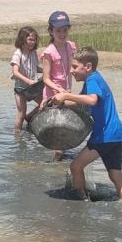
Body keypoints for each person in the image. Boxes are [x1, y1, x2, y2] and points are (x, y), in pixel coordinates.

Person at [48, 47, 122, 201]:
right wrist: (59, 102)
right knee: (115, 174)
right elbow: (79, 103)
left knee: (75, 167)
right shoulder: (93, 79)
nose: (71, 71)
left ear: (88, 67)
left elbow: (92, 100)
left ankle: (81, 201)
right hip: (116, 134)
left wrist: (65, 94)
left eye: (74, 67)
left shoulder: (92, 79)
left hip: (104, 136)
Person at [41, 11, 77, 161]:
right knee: (57, 130)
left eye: (65, 30)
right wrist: (59, 89)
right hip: (53, 95)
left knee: (64, 128)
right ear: (51, 31)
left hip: (66, 92)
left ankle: (59, 160)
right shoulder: (49, 52)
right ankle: (55, 164)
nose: (62, 34)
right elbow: (46, 79)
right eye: (58, 31)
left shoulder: (70, 46)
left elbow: (73, 66)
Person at [10, 26, 41, 130]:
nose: (32, 42)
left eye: (34, 39)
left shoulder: (33, 53)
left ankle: (30, 116)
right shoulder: (18, 54)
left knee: (45, 103)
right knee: (21, 114)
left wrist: (46, 71)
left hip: (32, 87)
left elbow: (35, 68)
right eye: (30, 39)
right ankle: (18, 137)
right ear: (23, 39)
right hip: (21, 89)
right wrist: (28, 81)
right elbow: (15, 71)